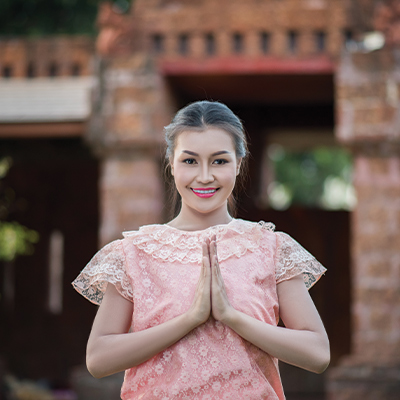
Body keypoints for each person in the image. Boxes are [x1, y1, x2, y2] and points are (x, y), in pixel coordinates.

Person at [72, 100, 330, 399]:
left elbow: (318, 354)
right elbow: (98, 359)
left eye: (219, 161)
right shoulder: (134, 253)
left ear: (239, 164)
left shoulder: (271, 248)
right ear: (171, 164)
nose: (205, 176)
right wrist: (191, 318)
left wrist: (230, 316)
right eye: (190, 161)